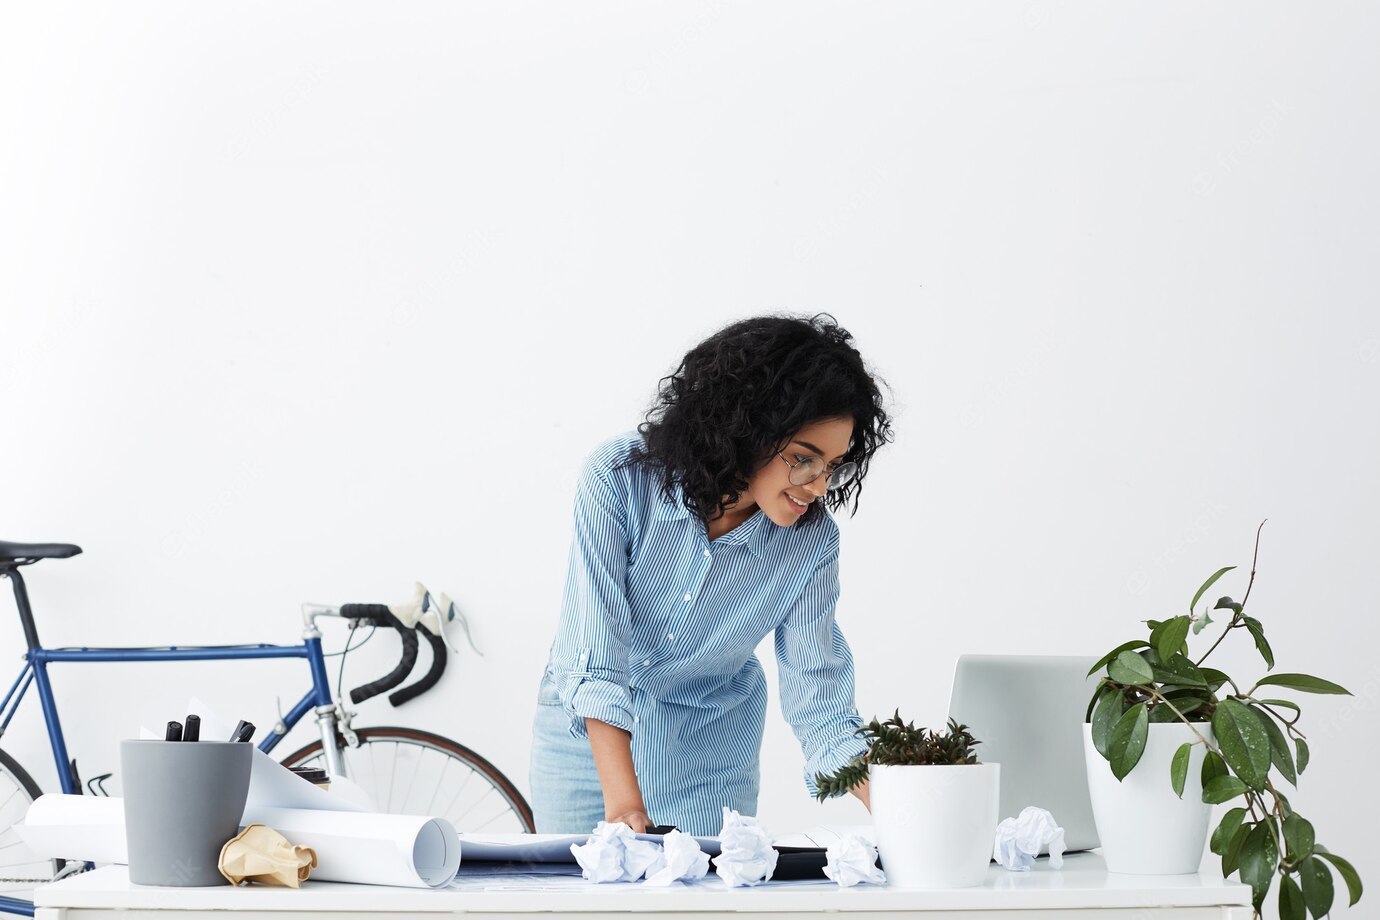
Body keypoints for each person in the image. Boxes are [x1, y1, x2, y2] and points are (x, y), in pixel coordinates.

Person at [529, 313, 893, 837]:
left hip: (709, 749)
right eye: (803, 459)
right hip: (588, 738)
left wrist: (897, 806)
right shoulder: (619, 479)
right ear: (746, 428)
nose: (818, 485)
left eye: (833, 465)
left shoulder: (811, 542)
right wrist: (625, 806)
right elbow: (595, 651)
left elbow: (820, 694)